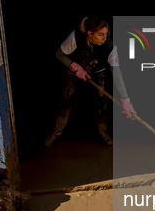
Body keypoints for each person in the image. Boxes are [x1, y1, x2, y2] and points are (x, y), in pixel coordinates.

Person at [44, 15, 136, 147]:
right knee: (65, 100)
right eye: (100, 35)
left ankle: (103, 133)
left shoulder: (110, 46)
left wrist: (125, 100)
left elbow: (117, 73)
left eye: (106, 34)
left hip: (97, 72)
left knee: (101, 103)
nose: (104, 38)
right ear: (89, 33)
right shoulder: (75, 37)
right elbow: (59, 54)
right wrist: (75, 67)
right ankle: (56, 133)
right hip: (75, 72)